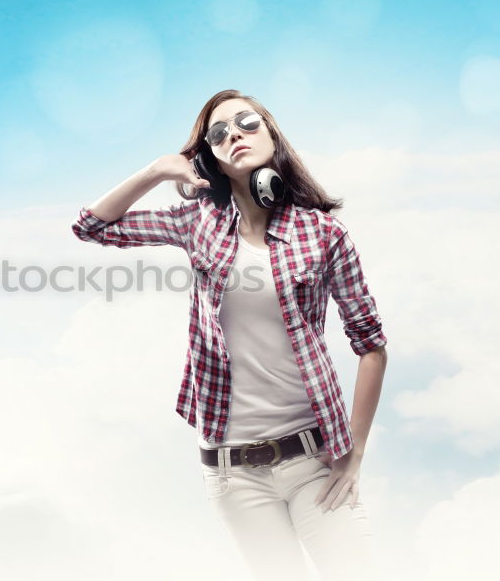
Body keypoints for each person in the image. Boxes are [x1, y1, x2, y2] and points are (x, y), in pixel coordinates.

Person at [70, 89, 388, 581]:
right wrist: (157, 170)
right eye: (219, 134)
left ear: (271, 132)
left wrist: (354, 454)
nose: (235, 135)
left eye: (247, 123)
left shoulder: (324, 235)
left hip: (315, 461)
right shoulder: (198, 224)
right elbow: (91, 227)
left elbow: (371, 347)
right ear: (210, 158)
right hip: (233, 474)